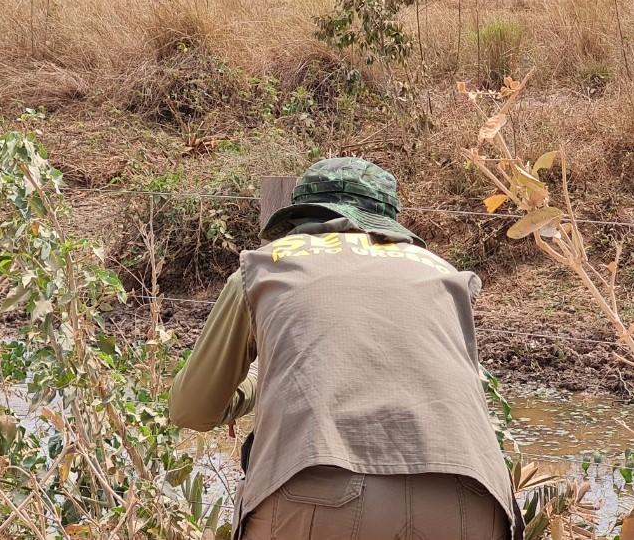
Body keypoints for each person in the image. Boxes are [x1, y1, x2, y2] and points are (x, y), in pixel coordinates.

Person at [169, 158, 522, 540]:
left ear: (302, 216)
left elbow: (192, 409)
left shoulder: (266, 266)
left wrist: (254, 382)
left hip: (319, 496)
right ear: (388, 220)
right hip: (472, 499)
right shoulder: (443, 273)